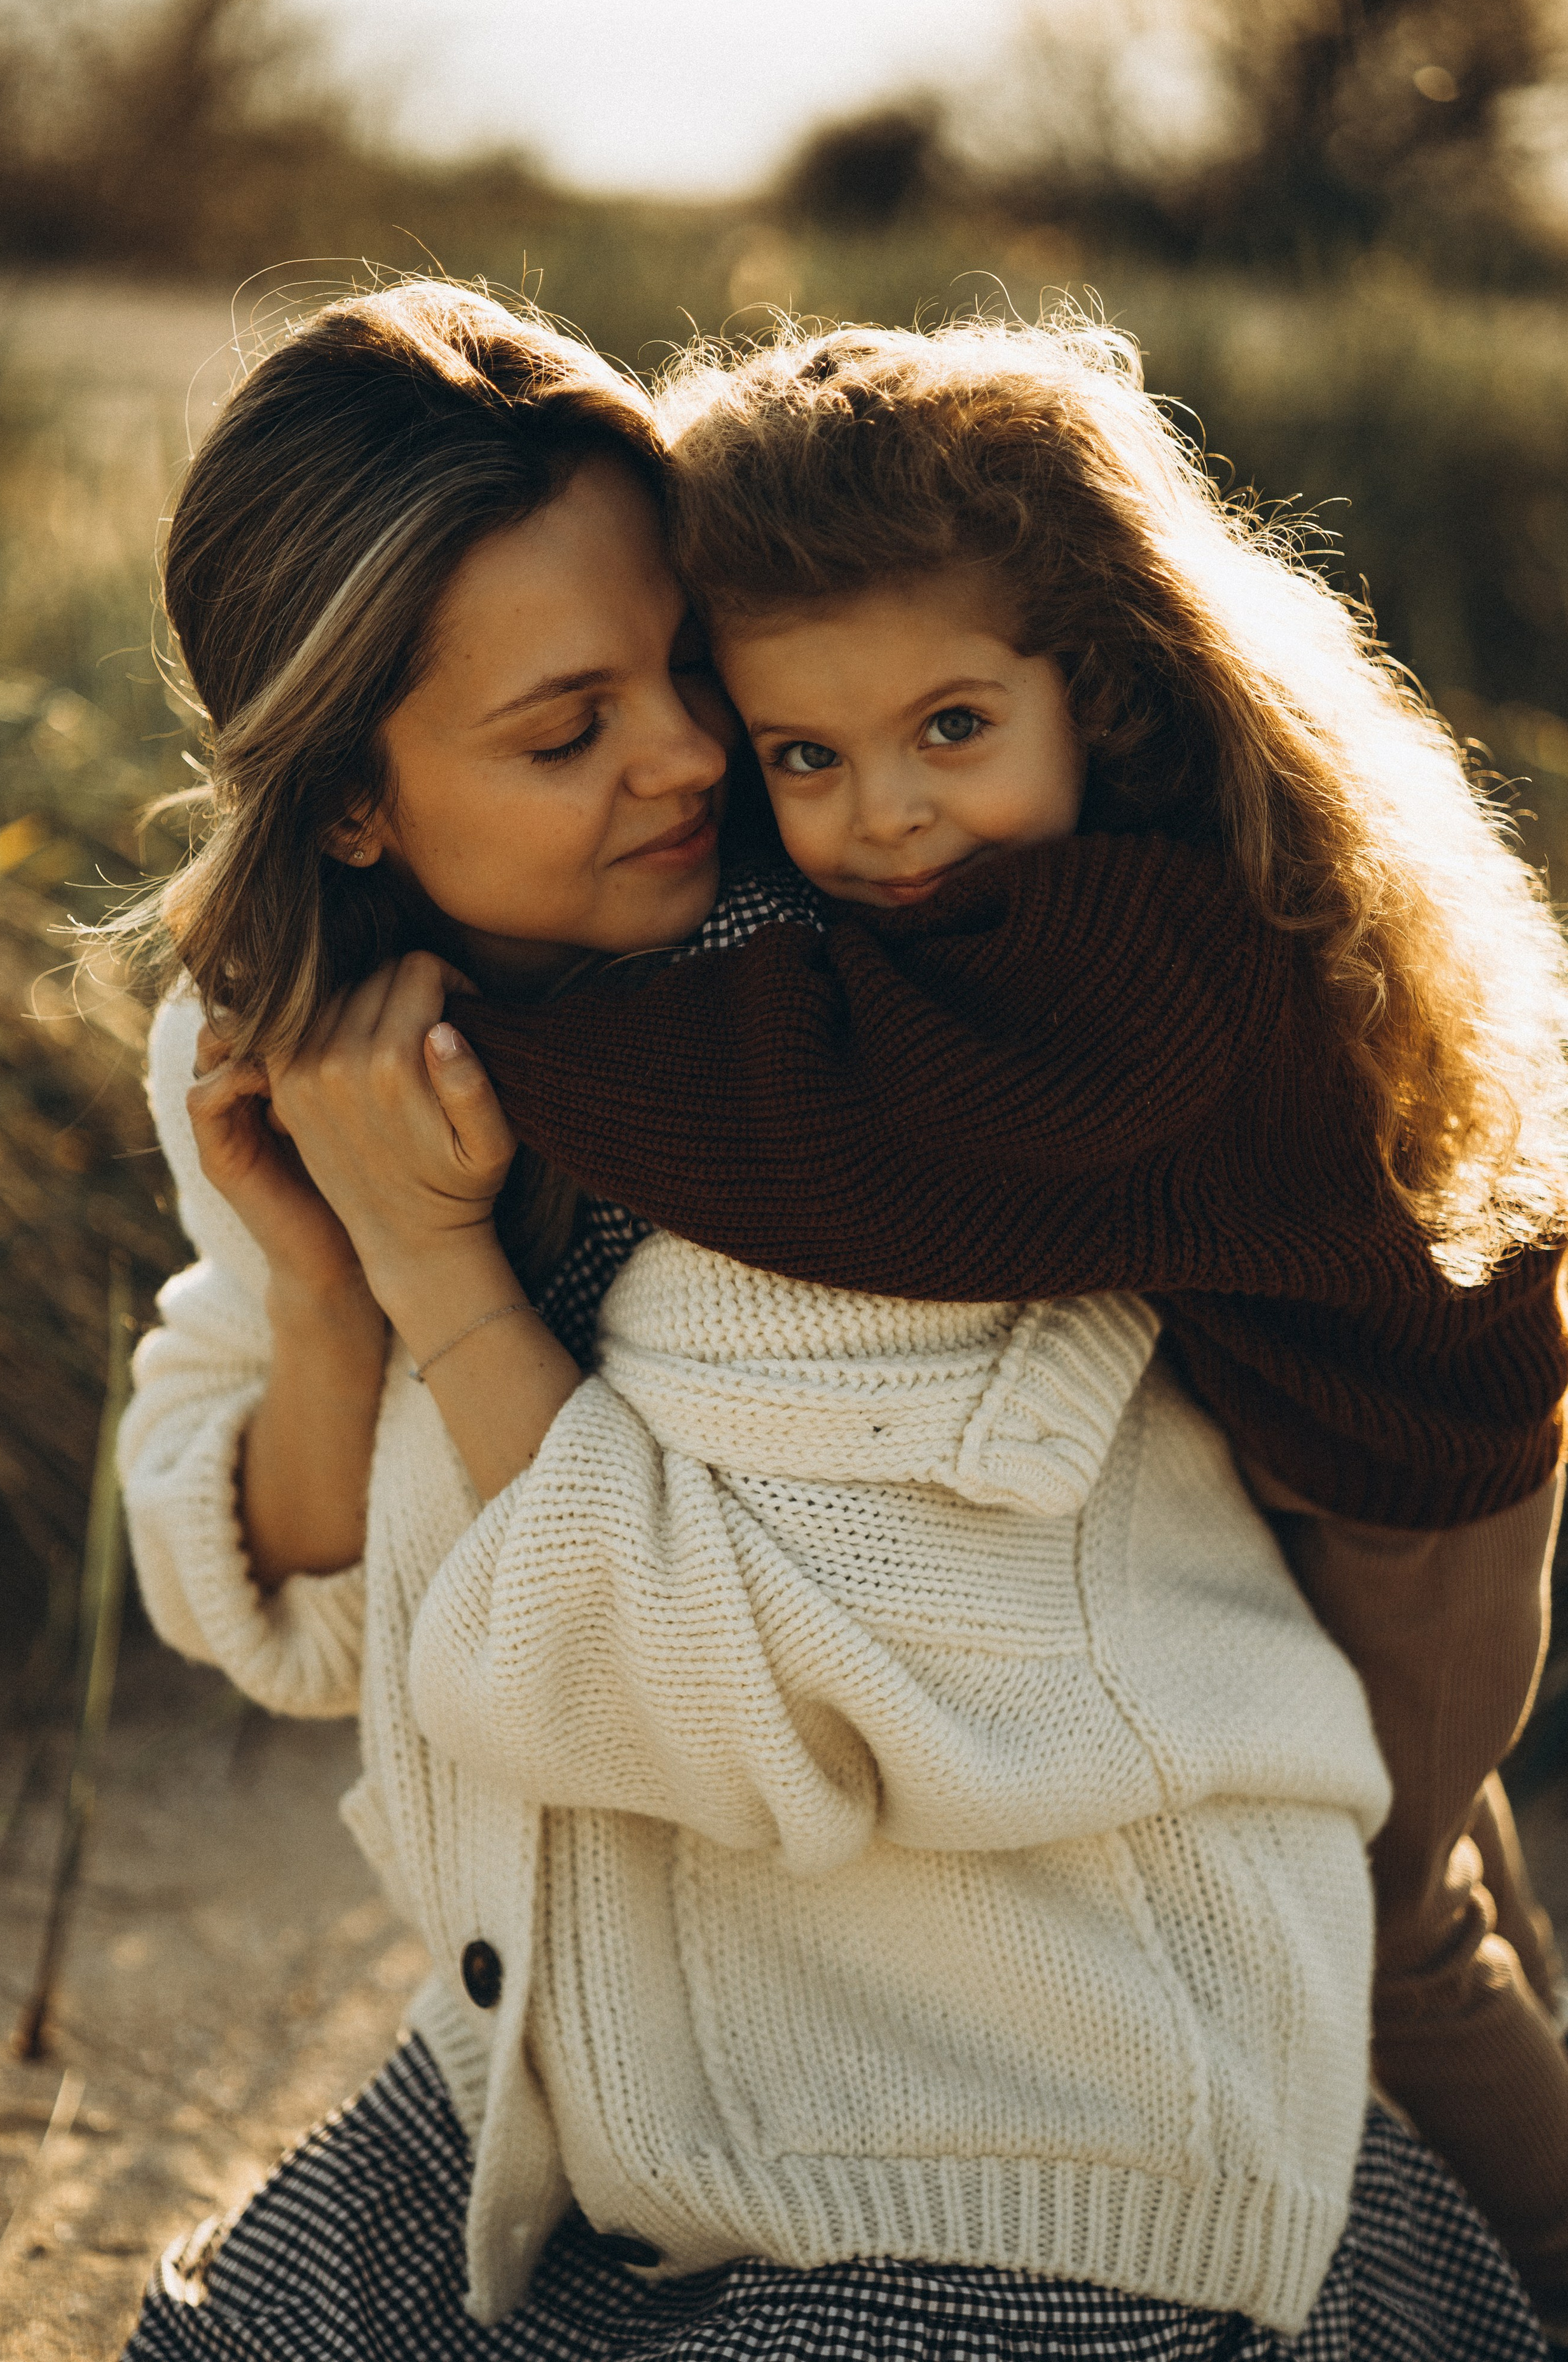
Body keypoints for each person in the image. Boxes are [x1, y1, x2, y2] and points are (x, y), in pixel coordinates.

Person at [114, 281, 1548, 2361]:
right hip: (625, 2055)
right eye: (568, 727)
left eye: (683, 671)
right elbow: (289, 1605)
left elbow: (739, 1709)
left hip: (1043, 2064)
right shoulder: (296, 1058)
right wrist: (332, 1292)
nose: (697, 757)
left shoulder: (886, 1053)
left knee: (1422, 1925)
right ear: (350, 806)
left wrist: (435, 1261)